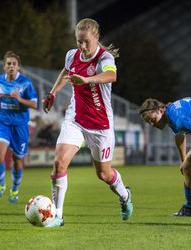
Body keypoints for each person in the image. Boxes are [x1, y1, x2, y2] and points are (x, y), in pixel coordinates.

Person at [42, 18, 133, 227]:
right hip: (75, 119)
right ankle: (58, 216)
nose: (82, 47)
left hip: (100, 125)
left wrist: (87, 80)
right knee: (58, 164)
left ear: (96, 38)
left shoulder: (105, 57)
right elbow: (66, 72)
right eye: (79, 42)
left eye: (86, 42)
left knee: (103, 174)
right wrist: (53, 93)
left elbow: (111, 75)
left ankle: (125, 196)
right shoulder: (72, 55)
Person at [0, 50, 38, 203]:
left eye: (14, 64)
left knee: (17, 161)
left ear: (18, 67)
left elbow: (34, 104)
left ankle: (15, 189)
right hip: (3, 123)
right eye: (8, 64)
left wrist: (19, 99)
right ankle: (1, 185)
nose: (11, 66)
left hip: (19, 126)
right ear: (4, 67)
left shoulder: (25, 83)